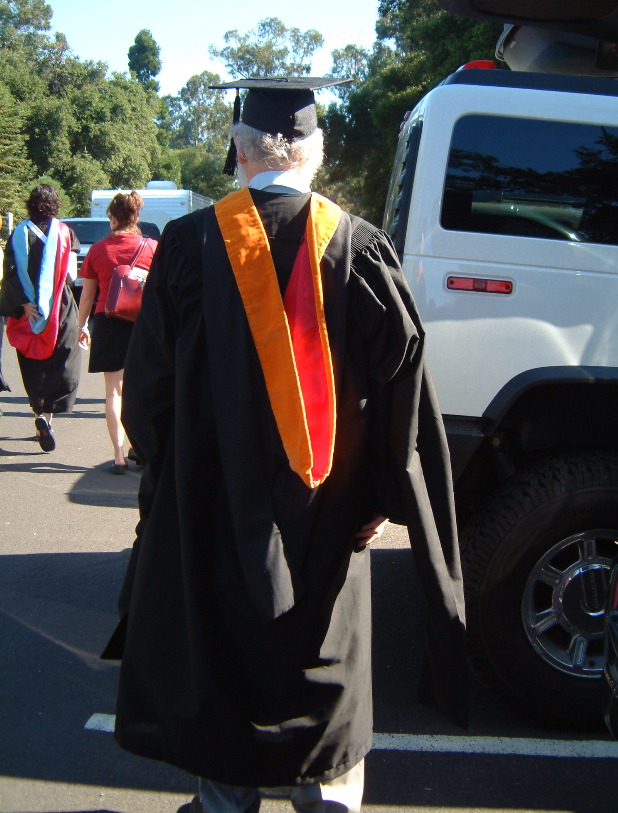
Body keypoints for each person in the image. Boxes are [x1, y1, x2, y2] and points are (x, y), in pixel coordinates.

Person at [105, 78, 467, 813]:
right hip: (331, 522)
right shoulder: (362, 247)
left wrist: (177, 483)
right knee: (321, 685)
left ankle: (227, 800)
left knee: (224, 683)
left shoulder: (186, 244)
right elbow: (401, 395)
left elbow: (147, 398)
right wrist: (376, 498)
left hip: (210, 514)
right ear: (316, 153)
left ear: (239, 155)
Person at [77, 191, 156, 474]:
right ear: (136, 217)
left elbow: (86, 297)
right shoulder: (151, 248)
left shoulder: (97, 250)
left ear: (112, 217)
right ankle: (143, 448)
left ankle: (119, 455)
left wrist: (81, 326)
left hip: (108, 323)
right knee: (145, 389)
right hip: (143, 325)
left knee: (114, 392)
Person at [0, 184, 80, 449]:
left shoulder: (18, 233)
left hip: (28, 310)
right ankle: (47, 416)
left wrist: (24, 302)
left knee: (33, 361)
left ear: (30, 204)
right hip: (60, 306)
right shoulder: (65, 233)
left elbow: (10, 273)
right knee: (62, 359)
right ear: (55, 204)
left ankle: (38, 412)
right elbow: (69, 275)